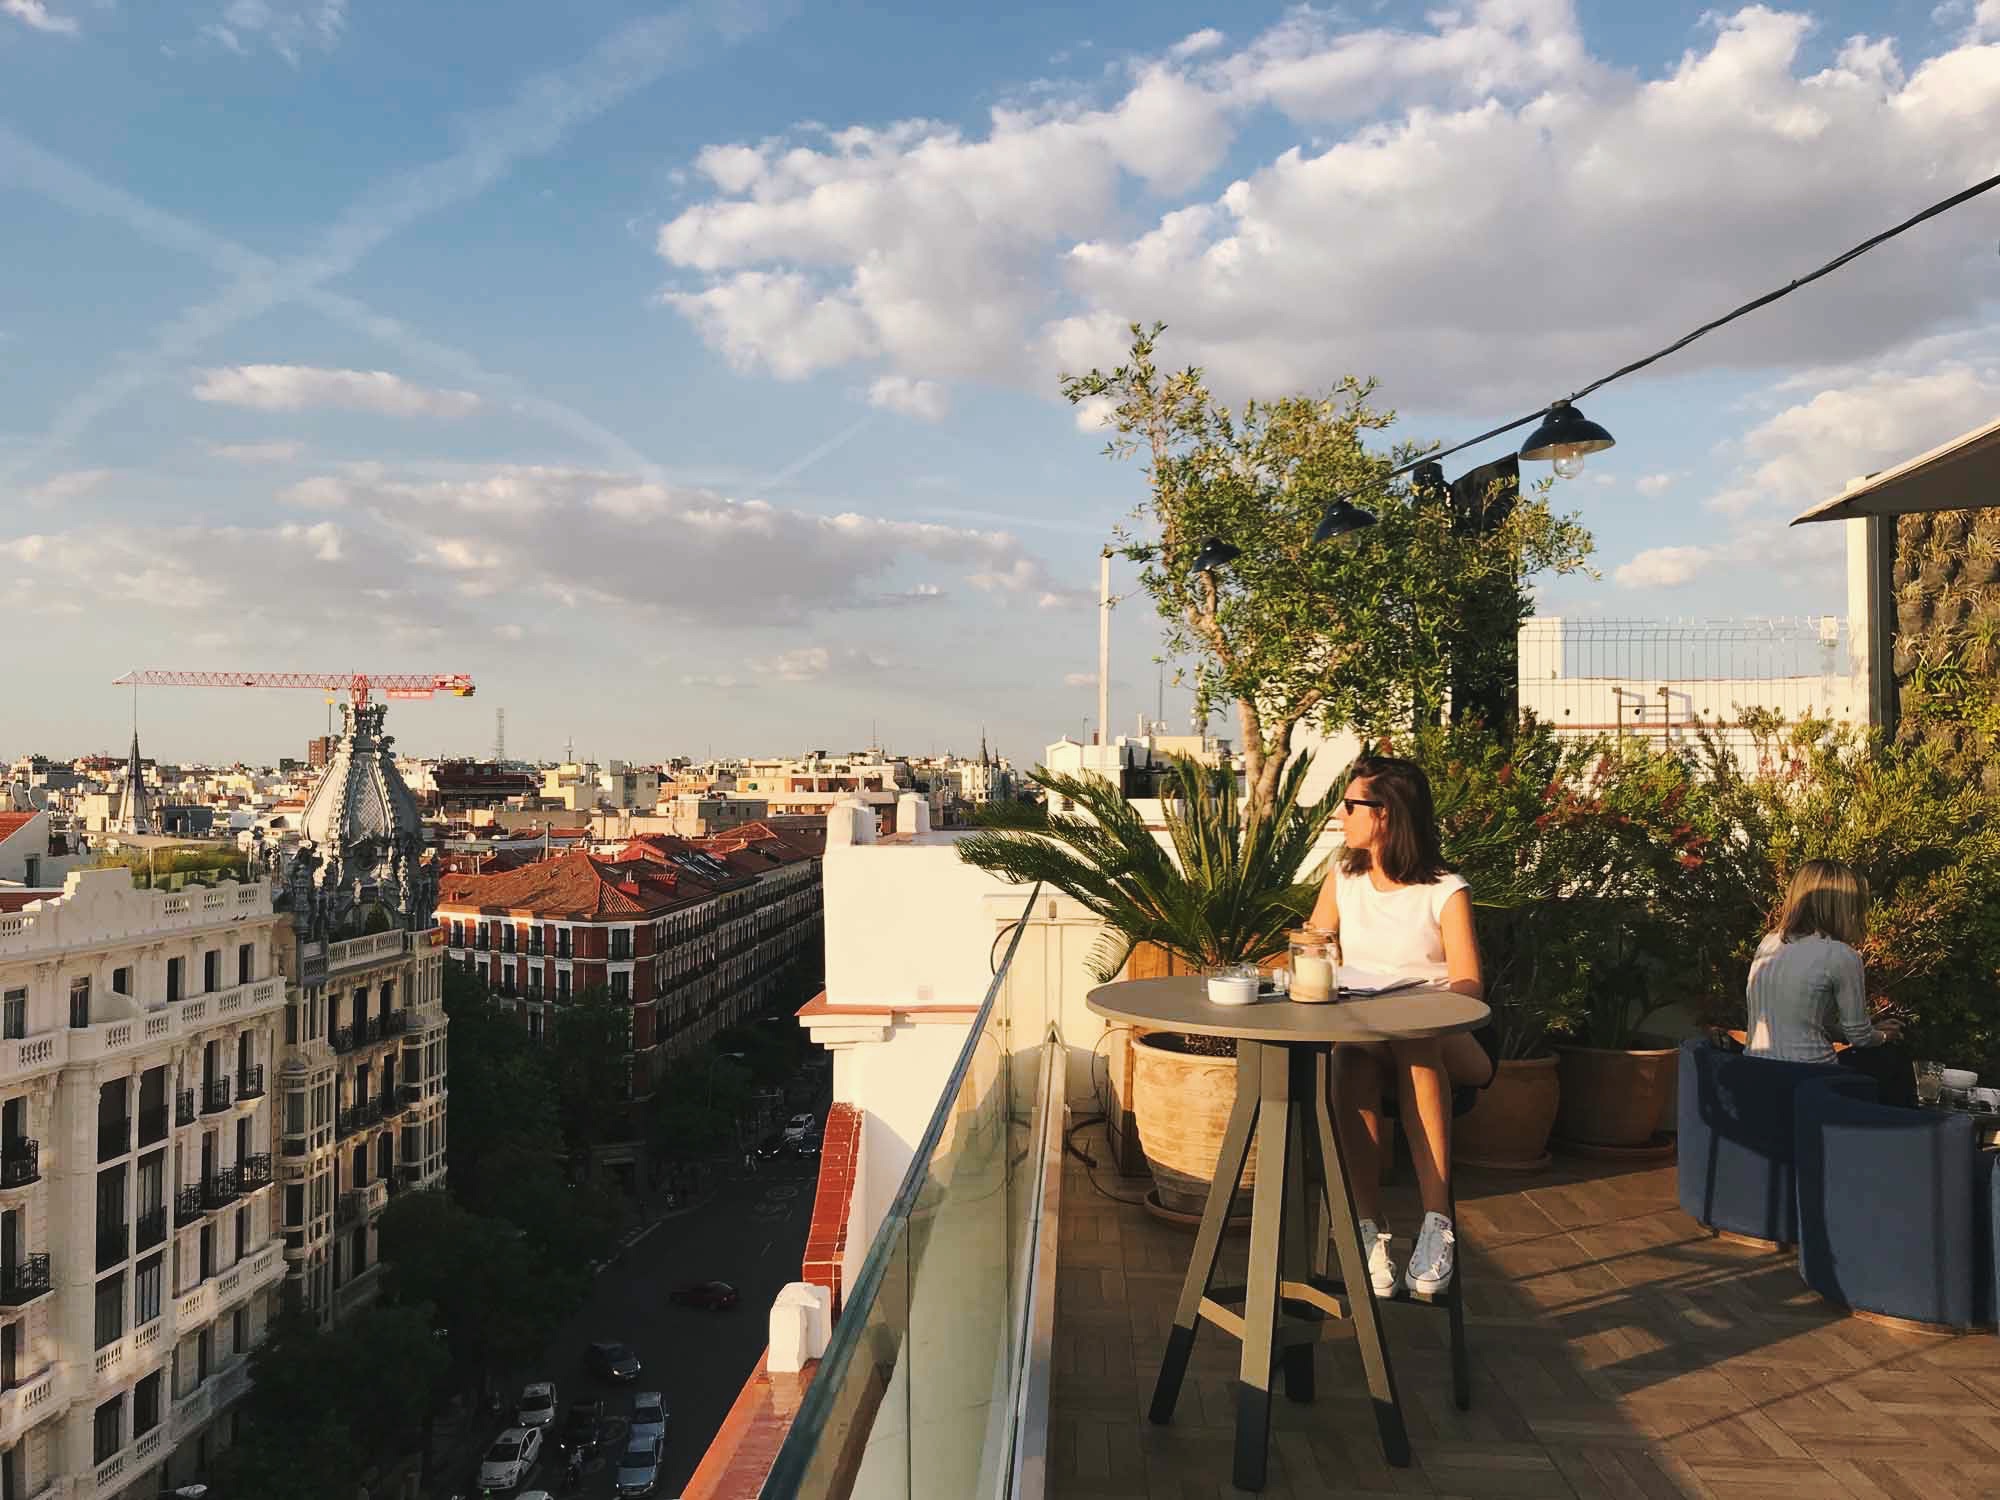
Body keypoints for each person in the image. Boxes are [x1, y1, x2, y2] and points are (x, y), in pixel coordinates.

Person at [1305, 754, 1492, 1297]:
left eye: (1349, 805)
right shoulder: (1343, 878)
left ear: (1383, 814)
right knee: (1352, 1060)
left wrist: (1416, 1012)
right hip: (1367, 1032)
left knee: (1415, 1047)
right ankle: (1367, 1231)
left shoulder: (1444, 889)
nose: (1341, 816)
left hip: (1440, 1036)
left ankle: (1437, 1228)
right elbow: (1313, 945)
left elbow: (1468, 983)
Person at [1744, 859, 1900, 1068]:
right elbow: (1859, 1038)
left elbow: (1808, 1024)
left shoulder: (1769, 942)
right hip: (1810, 1077)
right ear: (1844, 906)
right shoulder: (1840, 954)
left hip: (1753, 1071)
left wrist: (1864, 1031)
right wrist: (1883, 1036)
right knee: (1891, 1061)